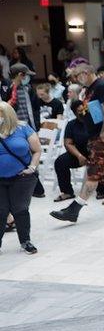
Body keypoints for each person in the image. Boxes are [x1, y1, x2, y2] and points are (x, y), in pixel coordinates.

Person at [50, 64, 104, 223]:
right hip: (97, 136)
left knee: (93, 173)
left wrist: (102, 138)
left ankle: (75, 209)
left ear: (86, 73)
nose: (76, 80)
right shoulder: (91, 89)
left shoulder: (102, 87)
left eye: (77, 76)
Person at [0, 102, 40, 255]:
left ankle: (25, 241)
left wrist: (32, 167)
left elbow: (36, 150)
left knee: (20, 209)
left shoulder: (23, 128)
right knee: (1, 211)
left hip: (22, 177)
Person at [6, 63, 39, 130]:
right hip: (13, 127)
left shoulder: (28, 89)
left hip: (29, 126)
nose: (28, 78)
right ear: (20, 75)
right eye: (26, 75)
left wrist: (37, 125)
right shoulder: (6, 88)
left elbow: (36, 108)